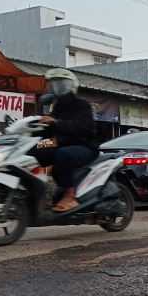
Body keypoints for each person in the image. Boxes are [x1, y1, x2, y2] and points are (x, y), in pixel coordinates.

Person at [30, 68, 98, 212]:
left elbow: (81, 127)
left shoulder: (82, 105)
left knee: (63, 155)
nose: (57, 88)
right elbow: (49, 132)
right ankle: (40, 193)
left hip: (86, 147)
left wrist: (55, 122)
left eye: (61, 84)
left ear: (72, 85)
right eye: (53, 84)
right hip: (61, 145)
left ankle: (70, 196)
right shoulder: (57, 106)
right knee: (36, 152)